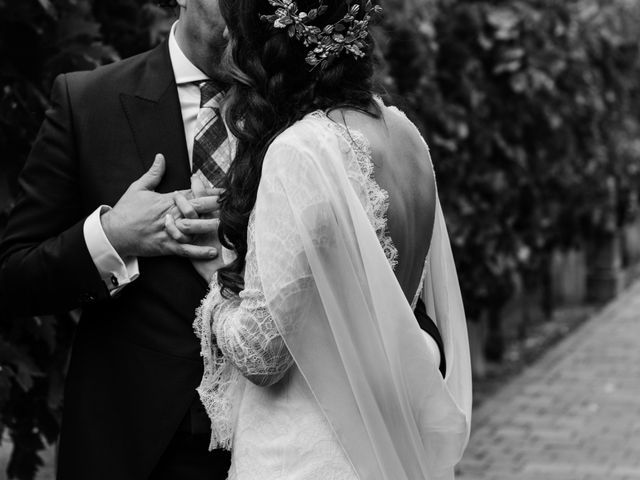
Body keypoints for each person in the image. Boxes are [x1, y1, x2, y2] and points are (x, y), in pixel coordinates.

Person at [182, 1, 473, 479]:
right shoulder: (403, 132)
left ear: (269, 47)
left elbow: (260, 354)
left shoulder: (301, 151)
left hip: (309, 454)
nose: (230, 52)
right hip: (384, 442)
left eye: (239, 36)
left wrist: (217, 276)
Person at [0, 1, 235, 478]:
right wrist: (112, 237)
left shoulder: (298, 108)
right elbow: (13, 275)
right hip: (133, 442)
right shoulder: (88, 100)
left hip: (277, 435)